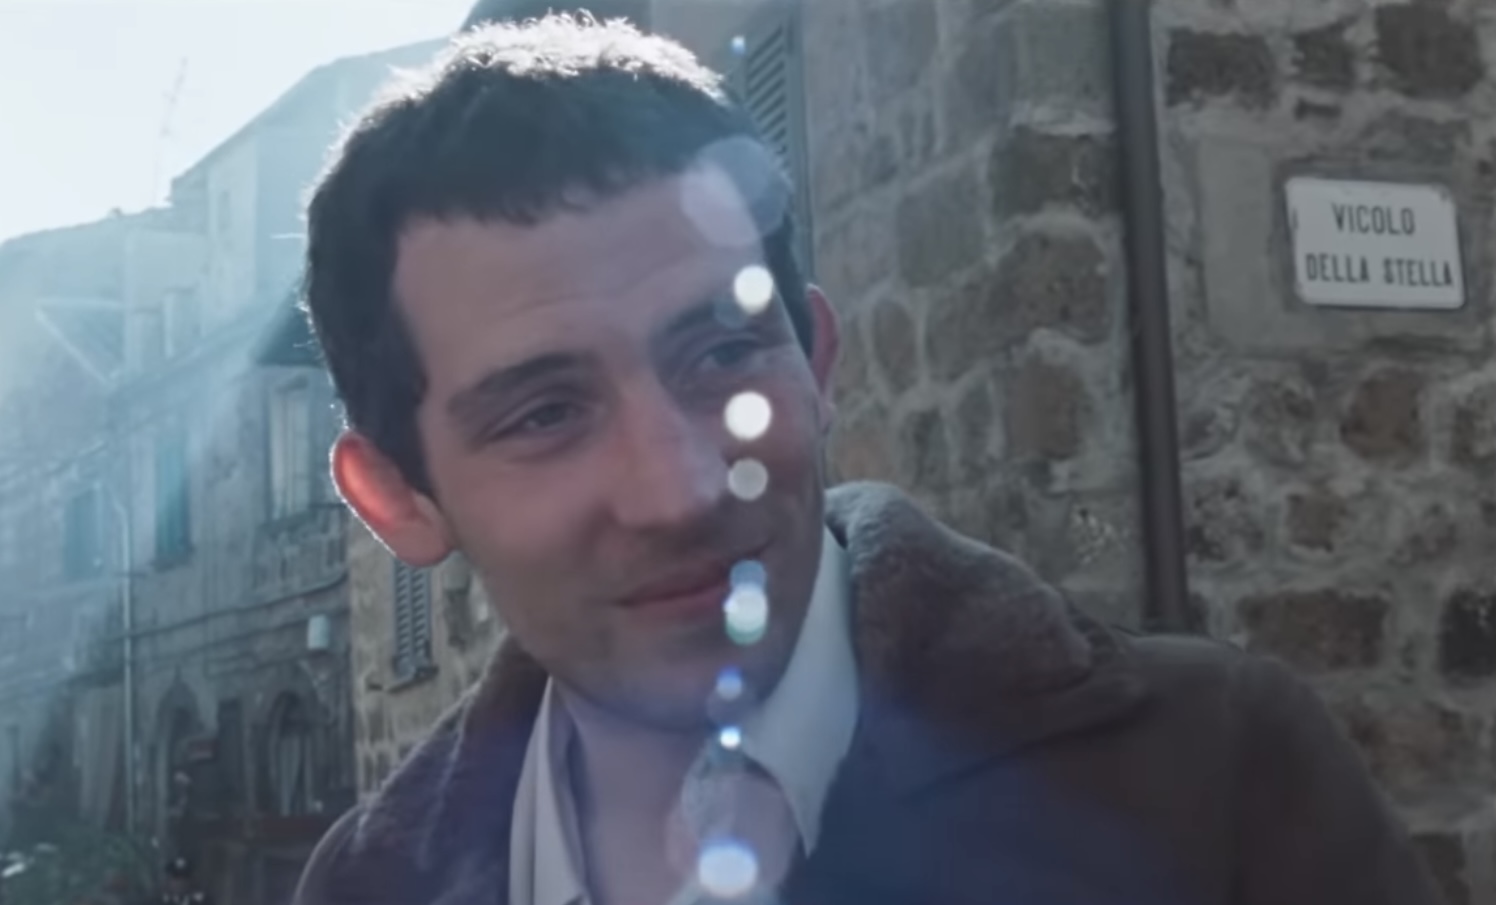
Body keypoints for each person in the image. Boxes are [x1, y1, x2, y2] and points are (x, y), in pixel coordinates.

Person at [292, 14, 1438, 905]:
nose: (679, 487)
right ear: (394, 498)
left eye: (722, 354)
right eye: (544, 414)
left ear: (817, 358)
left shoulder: (1213, 776)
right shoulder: (369, 882)